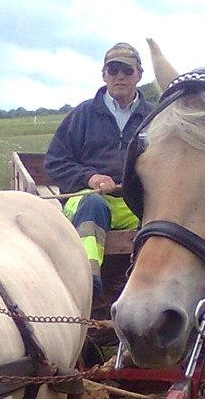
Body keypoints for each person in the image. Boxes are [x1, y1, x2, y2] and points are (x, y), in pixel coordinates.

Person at [44, 42, 155, 298]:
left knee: (161, 214)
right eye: (113, 70)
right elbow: (55, 161)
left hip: (132, 202)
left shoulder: (154, 117)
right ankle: (87, 283)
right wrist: (90, 177)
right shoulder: (83, 114)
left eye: (126, 71)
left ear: (139, 74)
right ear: (103, 74)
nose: (119, 77)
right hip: (85, 199)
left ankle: (146, 286)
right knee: (93, 206)